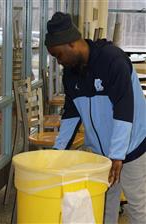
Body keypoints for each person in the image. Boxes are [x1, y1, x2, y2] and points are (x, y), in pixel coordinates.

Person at [45, 12, 146, 224]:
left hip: (132, 146)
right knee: (104, 203)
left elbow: (124, 109)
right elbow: (71, 114)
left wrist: (117, 155)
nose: (59, 62)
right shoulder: (70, 74)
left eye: (58, 55)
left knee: (137, 207)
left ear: (72, 44)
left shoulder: (113, 60)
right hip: (102, 153)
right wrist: (57, 151)